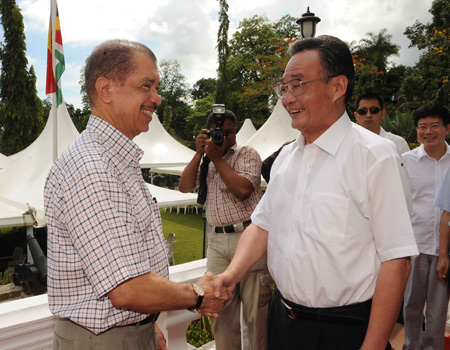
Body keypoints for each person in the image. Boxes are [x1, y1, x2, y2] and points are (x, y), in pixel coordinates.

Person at [213, 35, 419, 350]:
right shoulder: (286, 158)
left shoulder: (375, 156)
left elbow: (397, 260)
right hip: (282, 321)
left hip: (344, 330)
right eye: (284, 87)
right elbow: (263, 224)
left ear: (338, 87)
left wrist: (373, 346)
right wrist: (232, 273)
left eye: (298, 85)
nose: (287, 99)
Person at [44, 40, 228, 350]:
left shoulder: (114, 161)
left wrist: (146, 323)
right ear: (106, 90)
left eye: (157, 88)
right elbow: (126, 288)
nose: (156, 99)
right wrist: (197, 294)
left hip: (125, 333)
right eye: (146, 86)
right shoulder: (93, 167)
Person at [179, 109, 272, 350]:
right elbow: (185, 186)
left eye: (228, 133)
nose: (224, 138)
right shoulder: (206, 160)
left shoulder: (247, 153)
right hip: (218, 240)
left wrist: (218, 158)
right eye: (218, 133)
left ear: (236, 131)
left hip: (248, 237)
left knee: (256, 314)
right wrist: (200, 153)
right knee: (221, 312)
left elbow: (243, 190)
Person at [402, 103, 450, 350]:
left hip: (445, 250)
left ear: (447, 128)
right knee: (411, 304)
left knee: (438, 308)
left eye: (434, 126)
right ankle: (411, 345)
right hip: (414, 245)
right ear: (417, 131)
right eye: (422, 127)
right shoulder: (405, 162)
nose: (428, 131)